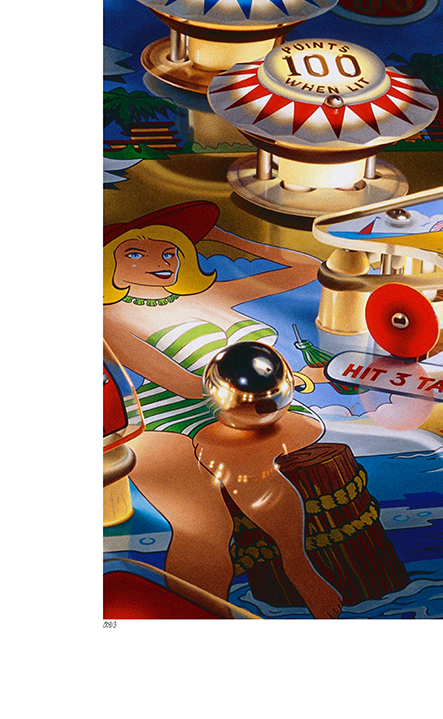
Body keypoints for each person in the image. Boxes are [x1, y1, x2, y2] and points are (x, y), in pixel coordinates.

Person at [103, 201, 342, 618]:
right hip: (163, 417)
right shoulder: (106, 316)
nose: (160, 262)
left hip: (248, 404)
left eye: (170, 251)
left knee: (236, 452)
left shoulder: (211, 293)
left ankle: (297, 564)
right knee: (204, 526)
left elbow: (310, 270)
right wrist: (298, 379)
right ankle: (203, 618)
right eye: (136, 253)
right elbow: (182, 383)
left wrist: (225, 238)